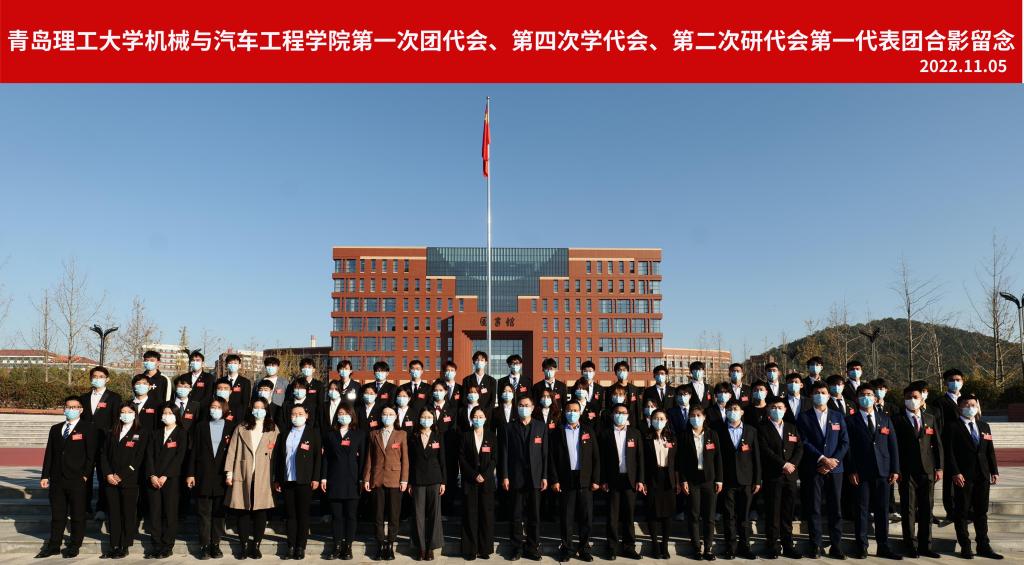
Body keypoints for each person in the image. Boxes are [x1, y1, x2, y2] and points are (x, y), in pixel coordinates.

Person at [844, 384, 901, 560]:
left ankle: (884, 546)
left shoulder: (885, 419)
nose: (866, 397)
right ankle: (861, 546)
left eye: (869, 394)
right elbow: (848, 448)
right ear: (856, 399)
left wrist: (895, 469)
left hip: (883, 472)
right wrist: (852, 470)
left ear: (875, 398)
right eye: (862, 394)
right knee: (861, 510)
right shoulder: (850, 420)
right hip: (861, 473)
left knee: (882, 510)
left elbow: (893, 445)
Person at [36, 397, 97, 559]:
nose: (71, 410)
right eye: (68, 407)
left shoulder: (88, 428)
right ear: (64, 409)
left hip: (77, 479)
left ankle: (74, 545)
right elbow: (49, 453)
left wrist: (85, 475)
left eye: (75, 407)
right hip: (57, 479)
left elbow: (91, 455)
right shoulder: (55, 429)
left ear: (81, 410)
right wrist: (45, 475)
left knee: (77, 515)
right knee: (57, 515)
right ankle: (54, 545)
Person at [946, 394, 1003, 560]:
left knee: (981, 512)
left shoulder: (984, 426)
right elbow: (949, 452)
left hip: (982, 475)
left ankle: (983, 545)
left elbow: (989, 450)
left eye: (973, 404)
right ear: (959, 407)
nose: (970, 407)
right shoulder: (952, 426)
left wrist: (994, 470)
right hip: (963, 476)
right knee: (962, 512)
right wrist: (955, 472)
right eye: (966, 404)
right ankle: (965, 545)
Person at [797, 382, 849, 559]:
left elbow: (845, 442)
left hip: (835, 469)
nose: (820, 395)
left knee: (836, 508)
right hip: (814, 468)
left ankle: (836, 545)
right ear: (811, 396)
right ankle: (816, 545)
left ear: (828, 395)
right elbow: (804, 441)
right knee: (814, 508)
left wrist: (833, 461)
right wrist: (822, 459)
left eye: (823, 392)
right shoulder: (804, 417)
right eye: (817, 392)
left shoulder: (837, 416)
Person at [225, 397, 279, 559]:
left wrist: (276, 476)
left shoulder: (273, 428)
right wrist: (229, 472)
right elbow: (232, 450)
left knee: (260, 511)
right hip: (243, 472)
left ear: (266, 410)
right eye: (256, 407)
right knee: (243, 511)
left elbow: (278, 454)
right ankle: (243, 545)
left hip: (264, 475)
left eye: (262, 407)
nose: (258, 410)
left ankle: (256, 545)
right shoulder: (241, 427)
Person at [893, 385, 943, 558]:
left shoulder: (930, 418)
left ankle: (925, 545)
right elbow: (894, 447)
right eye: (908, 397)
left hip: (927, 470)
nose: (912, 400)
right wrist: (896, 469)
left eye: (915, 397)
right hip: (907, 471)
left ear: (922, 399)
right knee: (908, 510)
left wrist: (939, 467)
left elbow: (937, 445)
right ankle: (910, 545)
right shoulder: (897, 420)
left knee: (927, 509)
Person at [549, 400, 601, 563]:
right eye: (569, 410)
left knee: (586, 517)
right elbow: (552, 458)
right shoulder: (557, 432)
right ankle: (567, 549)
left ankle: (584, 549)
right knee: (566, 517)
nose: (572, 413)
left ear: (580, 412)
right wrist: (555, 479)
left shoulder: (588, 430)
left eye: (575, 410)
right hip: (565, 479)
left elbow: (596, 456)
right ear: (565, 412)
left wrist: (596, 479)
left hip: (585, 479)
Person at [500, 396, 548, 561]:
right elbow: (504, 453)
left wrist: (544, 476)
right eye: (521, 405)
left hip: (535, 477)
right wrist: (505, 476)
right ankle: (517, 547)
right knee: (516, 515)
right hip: (516, 477)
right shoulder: (509, 427)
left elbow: (545, 454)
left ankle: (532, 547)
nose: (523, 408)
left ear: (533, 407)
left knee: (534, 515)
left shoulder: (541, 427)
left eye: (527, 405)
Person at [186, 397, 234, 560]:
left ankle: (215, 544)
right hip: (203, 474)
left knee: (219, 514)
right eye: (213, 407)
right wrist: (190, 473)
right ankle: (204, 545)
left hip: (222, 476)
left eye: (218, 407)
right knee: (203, 513)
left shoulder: (231, 427)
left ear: (225, 409)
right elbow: (194, 451)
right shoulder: (201, 426)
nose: (215, 410)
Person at [272, 403, 321, 560]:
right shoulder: (284, 434)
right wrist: (277, 479)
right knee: (290, 515)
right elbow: (279, 458)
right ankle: (291, 546)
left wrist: (316, 477)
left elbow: (317, 458)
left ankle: (301, 546)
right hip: (288, 480)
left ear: (306, 416)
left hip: (304, 480)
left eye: (300, 414)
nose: (296, 417)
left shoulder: (313, 433)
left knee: (303, 515)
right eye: (293, 414)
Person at [99, 404, 148, 559]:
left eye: (129, 412)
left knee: (128, 513)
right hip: (110, 480)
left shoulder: (142, 432)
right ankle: (114, 545)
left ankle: (125, 545)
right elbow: (103, 455)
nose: (126, 414)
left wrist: (122, 475)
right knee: (113, 513)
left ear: (135, 414)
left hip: (129, 480)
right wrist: (108, 474)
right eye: (123, 412)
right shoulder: (112, 431)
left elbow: (139, 457)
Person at [757, 399, 803, 560]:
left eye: (780, 407)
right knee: (773, 512)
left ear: (785, 409)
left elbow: (799, 448)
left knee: (787, 512)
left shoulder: (791, 427)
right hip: (773, 476)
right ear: (768, 410)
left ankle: (788, 545)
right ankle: (772, 545)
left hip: (790, 476)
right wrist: (783, 464)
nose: (777, 410)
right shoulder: (762, 428)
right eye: (773, 407)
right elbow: (765, 450)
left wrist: (792, 464)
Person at [321, 402, 366, 560]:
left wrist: (362, 478)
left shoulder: (359, 434)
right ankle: (337, 546)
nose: (343, 416)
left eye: (346, 413)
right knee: (337, 516)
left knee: (351, 515)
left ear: (352, 415)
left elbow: (363, 459)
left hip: (352, 480)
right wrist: (324, 477)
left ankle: (348, 546)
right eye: (340, 414)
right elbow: (326, 458)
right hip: (334, 479)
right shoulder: (330, 435)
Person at [599, 402, 644, 560]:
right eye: (617, 412)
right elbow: (601, 459)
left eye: (623, 413)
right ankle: (611, 547)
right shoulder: (605, 434)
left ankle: (629, 547)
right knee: (612, 516)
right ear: (612, 415)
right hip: (612, 479)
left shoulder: (635, 433)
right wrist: (603, 479)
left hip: (630, 479)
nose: (620, 415)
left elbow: (640, 458)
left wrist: (640, 479)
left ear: (628, 415)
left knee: (629, 515)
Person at [716, 399, 761, 560]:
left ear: (742, 412)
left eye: (735, 409)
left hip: (746, 480)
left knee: (744, 516)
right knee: (729, 515)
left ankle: (745, 546)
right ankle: (731, 547)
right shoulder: (719, 431)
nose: (732, 412)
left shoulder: (751, 431)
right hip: (727, 481)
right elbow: (717, 458)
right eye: (729, 409)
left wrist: (757, 480)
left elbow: (756, 457)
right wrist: (719, 479)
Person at [363, 405, 408, 561]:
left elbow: (405, 459)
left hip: (395, 479)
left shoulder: (401, 434)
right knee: (378, 515)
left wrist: (404, 479)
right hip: (377, 479)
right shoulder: (373, 434)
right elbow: (369, 458)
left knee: (394, 515)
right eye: (384, 414)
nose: (387, 416)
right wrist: (366, 478)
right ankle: (380, 544)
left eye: (390, 414)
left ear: (395, 417)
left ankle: (390, 544)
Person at [677, 405, 722, 561]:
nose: (695, 418)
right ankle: (696, 548)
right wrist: (683, 480)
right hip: (692, 480)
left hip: (709, 480)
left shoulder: (712, 434)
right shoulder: (684, 435)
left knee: (709, 516)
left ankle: (708, 548)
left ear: (704, 417)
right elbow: (681, 460)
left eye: (698, 415)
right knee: (694, 515)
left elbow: (718, 458)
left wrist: (719, 479)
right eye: (692, 415)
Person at [145, 403, 188, 558]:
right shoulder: (155, 433)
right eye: (164, 413)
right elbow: (149, 455)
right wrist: (152, 475)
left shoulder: (182, 433)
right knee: (155, 513)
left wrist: (165, 475)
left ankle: (167, 545)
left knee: (170, 513)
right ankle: (156, 545)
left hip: (171, 479)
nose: (166, 415)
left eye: (170, 413)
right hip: (154, 479)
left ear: (176, 415)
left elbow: (179, 457)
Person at [80, 366, 122, 520]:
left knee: (104, 476)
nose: (97, 379)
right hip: (86, 444)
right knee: (85, 476)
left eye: (101, 376)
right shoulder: (83, 398)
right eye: (95, 376)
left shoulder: (114, 398)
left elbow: (116, 421)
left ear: (107, 379)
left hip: (105, 443)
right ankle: (85, 507)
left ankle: (102, 508)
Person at [408, 407, 446, 560]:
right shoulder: (413, 436)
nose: (426, 420)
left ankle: (431, 547)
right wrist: (409, 482)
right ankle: (421, 547)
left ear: (433, 419)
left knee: (434, 514)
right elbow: (410, 461)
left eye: (429, 417)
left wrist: (443, 481)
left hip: (434, 479)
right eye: (423, 417)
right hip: (417, 480)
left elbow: (442, 460)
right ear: (419, 419)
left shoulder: (438, 436)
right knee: (418, 514)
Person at [459, 406, 497, 560]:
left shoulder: (491, 436)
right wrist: (474, 475)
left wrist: (485, 475)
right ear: (471, 418)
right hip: (470, 481)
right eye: (475, 416)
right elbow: (461, 458)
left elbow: (494, 459)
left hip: (486, 482)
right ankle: (470, 549)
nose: (478, 419)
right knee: (470, 515)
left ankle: (484, 549)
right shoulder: (465, 436)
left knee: (486, 516)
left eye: (481, 416)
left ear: (485, 419)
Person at [642, 409, 676, 560]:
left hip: (668, 478)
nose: (659, 421)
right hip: (652, 478)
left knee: (667, 514)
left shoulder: (672, 437)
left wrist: (678, 481)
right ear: (651, 420)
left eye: (662, 418)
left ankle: (664, 545)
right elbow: (641, 461)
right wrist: (642, 481)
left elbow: (677, 461)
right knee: (652, 512)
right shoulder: (645, 437)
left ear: (666, 421)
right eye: (656, 418)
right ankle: (655, 544)